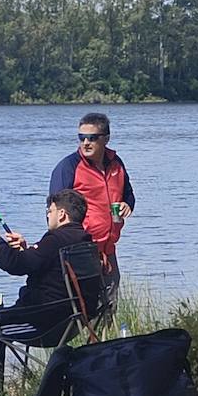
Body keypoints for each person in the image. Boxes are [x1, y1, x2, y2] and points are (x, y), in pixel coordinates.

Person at [0, 189, 93, 395]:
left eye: (49, 211)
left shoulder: (55, 240)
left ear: (62, 214)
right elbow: (43, 266)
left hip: (43, 323)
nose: (47, 215)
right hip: (70, 321)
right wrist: (25, 248)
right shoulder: (83, 240)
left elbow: (15, 265)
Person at [49, 112, 135, 278]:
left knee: (111, 294)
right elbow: (54, 212)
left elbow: (128, 195)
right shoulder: (68, 167)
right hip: (79, 251)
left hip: (108, 250)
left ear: (106, 139)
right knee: (84, 295)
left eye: (92, 138)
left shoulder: (116, 163)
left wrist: (127, 205)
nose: (86, 143)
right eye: (82, 138)